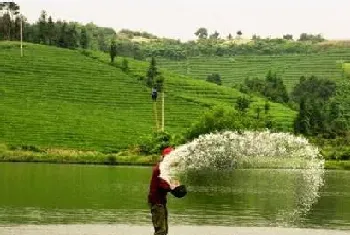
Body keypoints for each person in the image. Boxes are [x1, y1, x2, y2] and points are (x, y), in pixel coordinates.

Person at [148, 147, 179, 235]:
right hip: (156, 202)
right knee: (161, 231)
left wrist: (175, 185)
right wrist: (172, 188)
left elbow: (167, 182)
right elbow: (162, 185)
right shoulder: (160, 169)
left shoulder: (164, 169)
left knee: (164, 230)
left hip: (160, 202)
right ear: (164, 157)